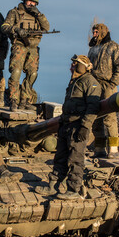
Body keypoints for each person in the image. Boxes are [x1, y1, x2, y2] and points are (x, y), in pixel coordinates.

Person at [36, 55, 101, 199]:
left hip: (78, 126)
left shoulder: (90, 82)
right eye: (72, 64)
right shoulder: (75, 82)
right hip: (66, 125)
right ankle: (53, 186)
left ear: (82, 66)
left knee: (75, 159)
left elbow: (93, 107)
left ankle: (73, 189)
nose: (71, 67)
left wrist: (85, 127)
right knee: (60, 157)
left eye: (75, 64)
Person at [0, 0, 50, 112]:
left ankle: (25, 99)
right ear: (24, 0)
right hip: (19, 45)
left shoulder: (37, 15)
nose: (31, 4)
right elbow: (4, 27)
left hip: (33, 48)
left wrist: (39, 15)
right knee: (16, 72)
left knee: (33, 74)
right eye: (29, 1)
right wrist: (16, 29)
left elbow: (46, 28)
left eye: (34, 2)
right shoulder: (15, 12)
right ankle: (13, 100)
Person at [88, 23, 119, 158]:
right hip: (94, 86)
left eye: (96, 32)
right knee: (95, 118)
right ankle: (99, 149)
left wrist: (112, 83)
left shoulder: (114, 47)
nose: (94, 34)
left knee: (109, 117)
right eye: (93, 31)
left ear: (103, 32)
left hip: (107, 85)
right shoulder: (93, 49)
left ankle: (113, 149)